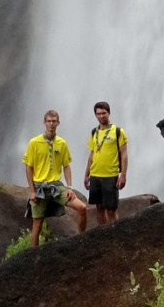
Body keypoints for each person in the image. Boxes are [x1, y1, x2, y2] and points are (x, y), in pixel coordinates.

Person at [23, 109, 88, 246]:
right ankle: (32, 257)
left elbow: (66, 166)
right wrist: (32, 190)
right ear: (44, 123)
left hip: (57, 186)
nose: (51, 124)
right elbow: (29, 167)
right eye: (49, 121)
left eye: (54, 121)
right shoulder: (34, 143)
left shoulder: (62, 143)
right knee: (37, 224)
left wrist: (69, 187)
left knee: (82, 208)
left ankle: (82, 241)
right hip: (40, 187)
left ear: (58, 123)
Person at [83, 101, 128, 225]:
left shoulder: (118, 131)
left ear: (109, 113)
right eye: (99, 114)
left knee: (111, 210)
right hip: (95, 175)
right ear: (95, 115)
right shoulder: (94, 132)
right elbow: (91, 155)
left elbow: (124, 154)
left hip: (110, 175)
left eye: (104, 113)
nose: (101, 116)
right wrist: (86, 175)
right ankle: (101, 235)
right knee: (99, 208)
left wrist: (123, 175)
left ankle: (116, 234)